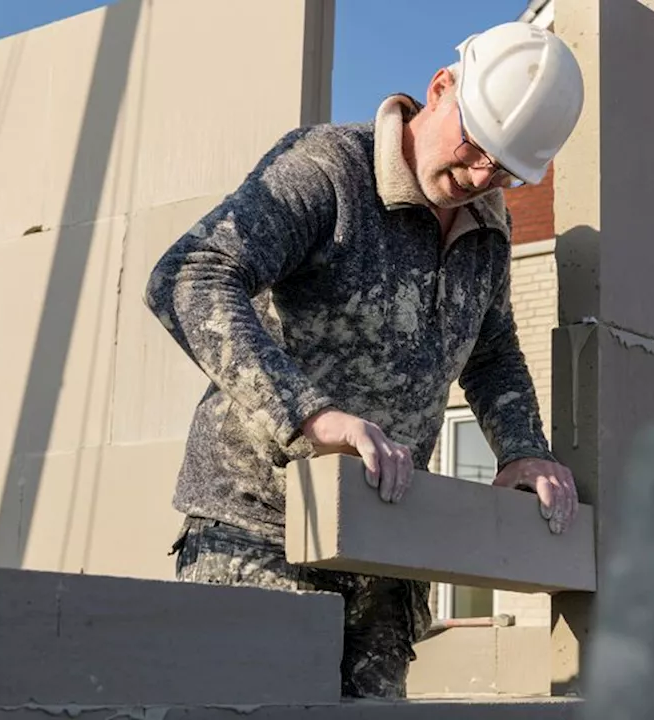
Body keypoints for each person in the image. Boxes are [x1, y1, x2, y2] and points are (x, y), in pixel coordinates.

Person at [143, 21, 586, 699]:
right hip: (263, 533)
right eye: (475, 148)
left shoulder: (488, 226)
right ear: (441, 89)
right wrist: (308, 415)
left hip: (385, 546)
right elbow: (189, 276)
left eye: (503, 169)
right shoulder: (329, 171)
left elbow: (490, 351)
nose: (478, 177)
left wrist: (522, 450)